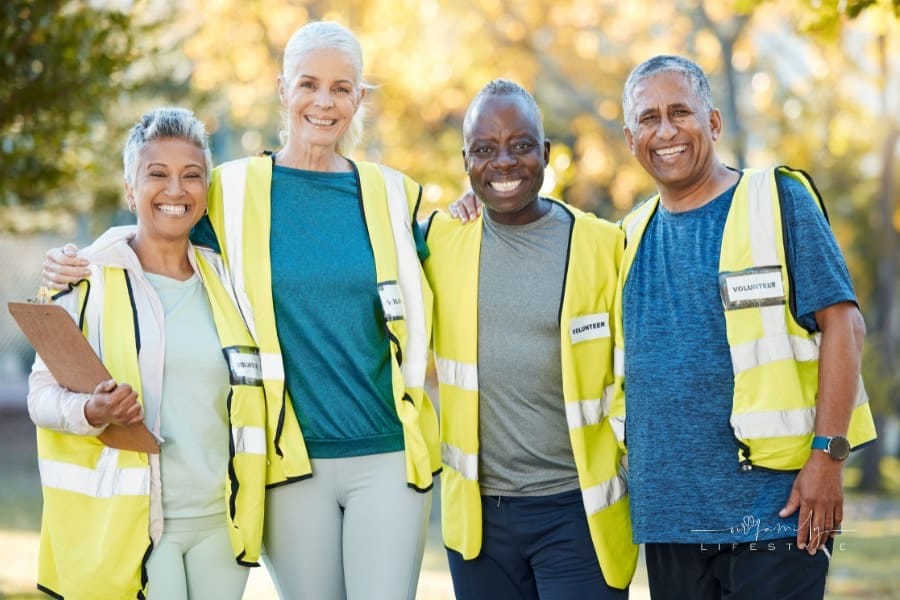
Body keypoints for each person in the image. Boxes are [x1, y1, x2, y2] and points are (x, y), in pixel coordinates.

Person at [40, 21, 439, 600]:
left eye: (341, 88)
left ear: (359, 98)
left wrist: (474, 200)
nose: (323, 102)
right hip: (285, 459)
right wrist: (78, 258)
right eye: (308, 84)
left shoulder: (393, 193)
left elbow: (447, 255)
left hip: (386, 451)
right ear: (282, 90)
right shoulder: (231, 189)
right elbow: (157, 220)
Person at [609, 55, 877, 599]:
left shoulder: (777, 202)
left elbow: (844, 327)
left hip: (777, 513)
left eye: (680, 112)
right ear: (630, 137)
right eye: (648, 118)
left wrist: (828, 457)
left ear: (713, 122)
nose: (665, 131)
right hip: (672, 522)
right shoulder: (625, 236)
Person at [27, 107, 267, 600]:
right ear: (129, 189)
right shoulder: (83, 279)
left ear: (206, 192)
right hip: (134, 522)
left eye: (191, 176)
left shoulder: (232, 283)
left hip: (222, 524)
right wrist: (92, 411)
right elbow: (40, 396)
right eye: (157, 174)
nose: (175, 190)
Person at [424, 79, 636, 600]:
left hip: (577, 515)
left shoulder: (602, 245)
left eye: (521, 146)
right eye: (484, 149)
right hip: (481, 523)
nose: (503, 162)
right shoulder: (438, 241)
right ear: (466, 160)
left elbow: (636, 375)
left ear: (545, 154)